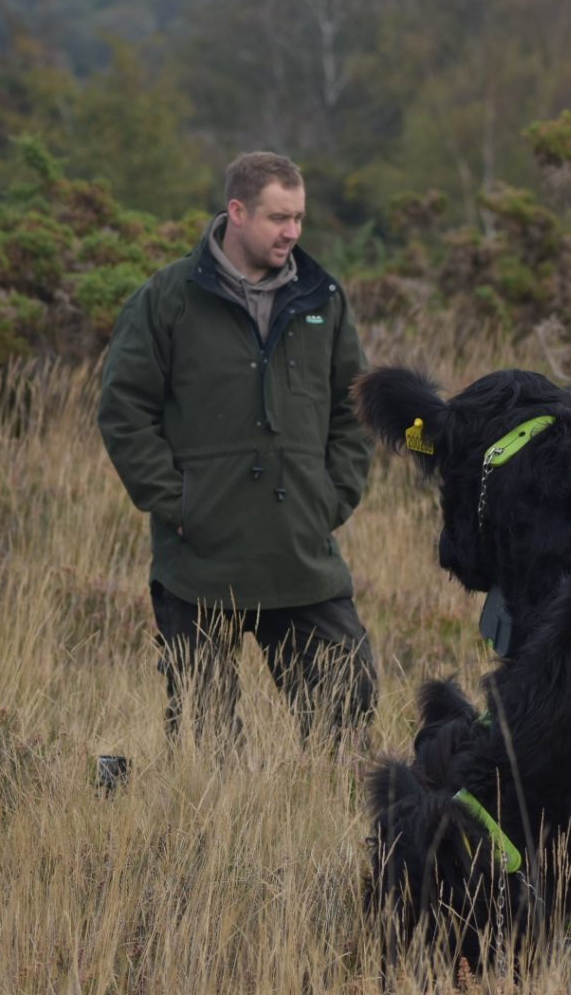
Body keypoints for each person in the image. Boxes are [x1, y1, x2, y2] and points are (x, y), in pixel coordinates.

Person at [97, 151, 376, 746]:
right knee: (205, 738)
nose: (292, 232)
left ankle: (327, 809)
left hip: (300, 551)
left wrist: (330, 499)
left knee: (347, 719)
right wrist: (180, 504)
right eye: (279, 218)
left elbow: (354, 409)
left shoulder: (323, 297)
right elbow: (124, 411)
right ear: (238, 211)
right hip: (199, 558)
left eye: (299, 218)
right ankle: (216, 813)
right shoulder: (167, 298)